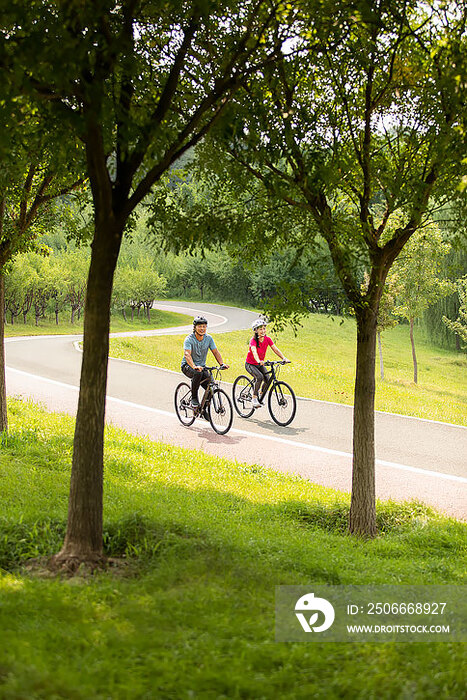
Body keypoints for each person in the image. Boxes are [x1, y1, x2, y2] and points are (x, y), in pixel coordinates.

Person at [181, 316, 229, 407]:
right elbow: (187, 354)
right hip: (188, 366)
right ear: (194, 327)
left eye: (204, 326)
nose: (202, 329)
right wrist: (194, 366)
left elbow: (215, 351)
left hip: (202, 367)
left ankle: (204, 409)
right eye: (199, 326)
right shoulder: (189, 339)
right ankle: (194, 398)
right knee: (197, 373)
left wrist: (222, 364)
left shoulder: (209, 338)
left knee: (212, 387)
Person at [245, 318, 289, 408]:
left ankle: (261, 394)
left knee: (268, 379)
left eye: (264, 328)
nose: (263, 331)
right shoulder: (253, 341)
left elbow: (275, 349)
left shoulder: (267, 339)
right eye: (260, 329)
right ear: (256, 330)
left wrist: (284, 358)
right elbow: (254, 351)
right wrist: (258, 361)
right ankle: (254, 398)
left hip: (260, 364)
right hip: (250, 364)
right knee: (260, 377)